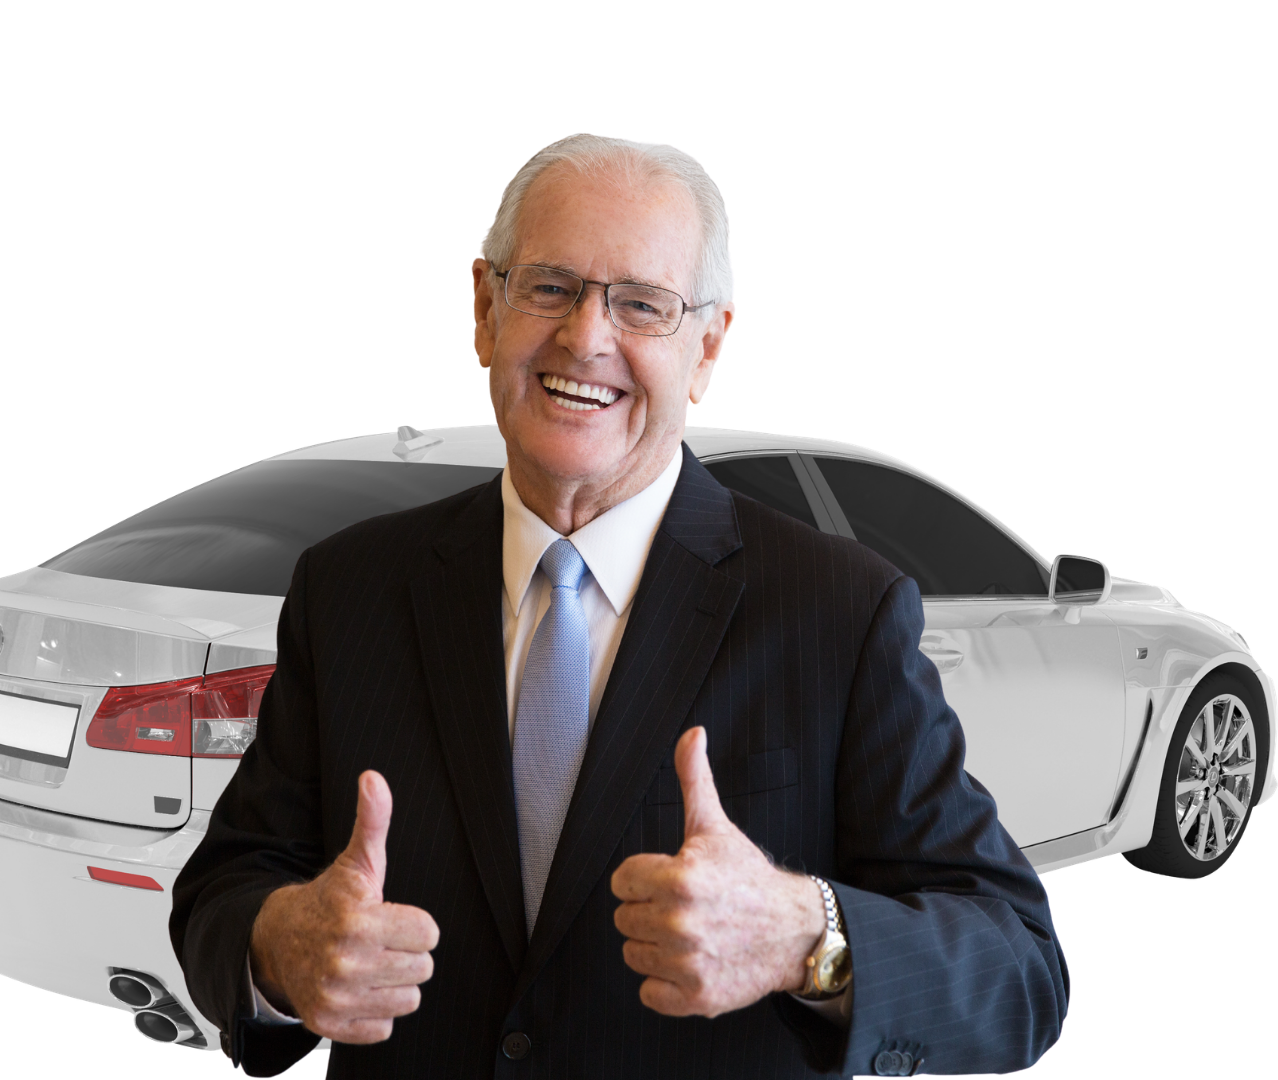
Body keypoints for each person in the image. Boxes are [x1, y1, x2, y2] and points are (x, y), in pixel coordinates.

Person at [170, 133, 1069, 1078]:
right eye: (550, 286)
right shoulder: (347, 587)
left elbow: (1020, 971)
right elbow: (225, 890)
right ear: (485, 307)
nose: (586, 337)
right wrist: (278, 950)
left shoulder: (842, 610)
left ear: (706, 349)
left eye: (642, 304)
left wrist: (809, 935)